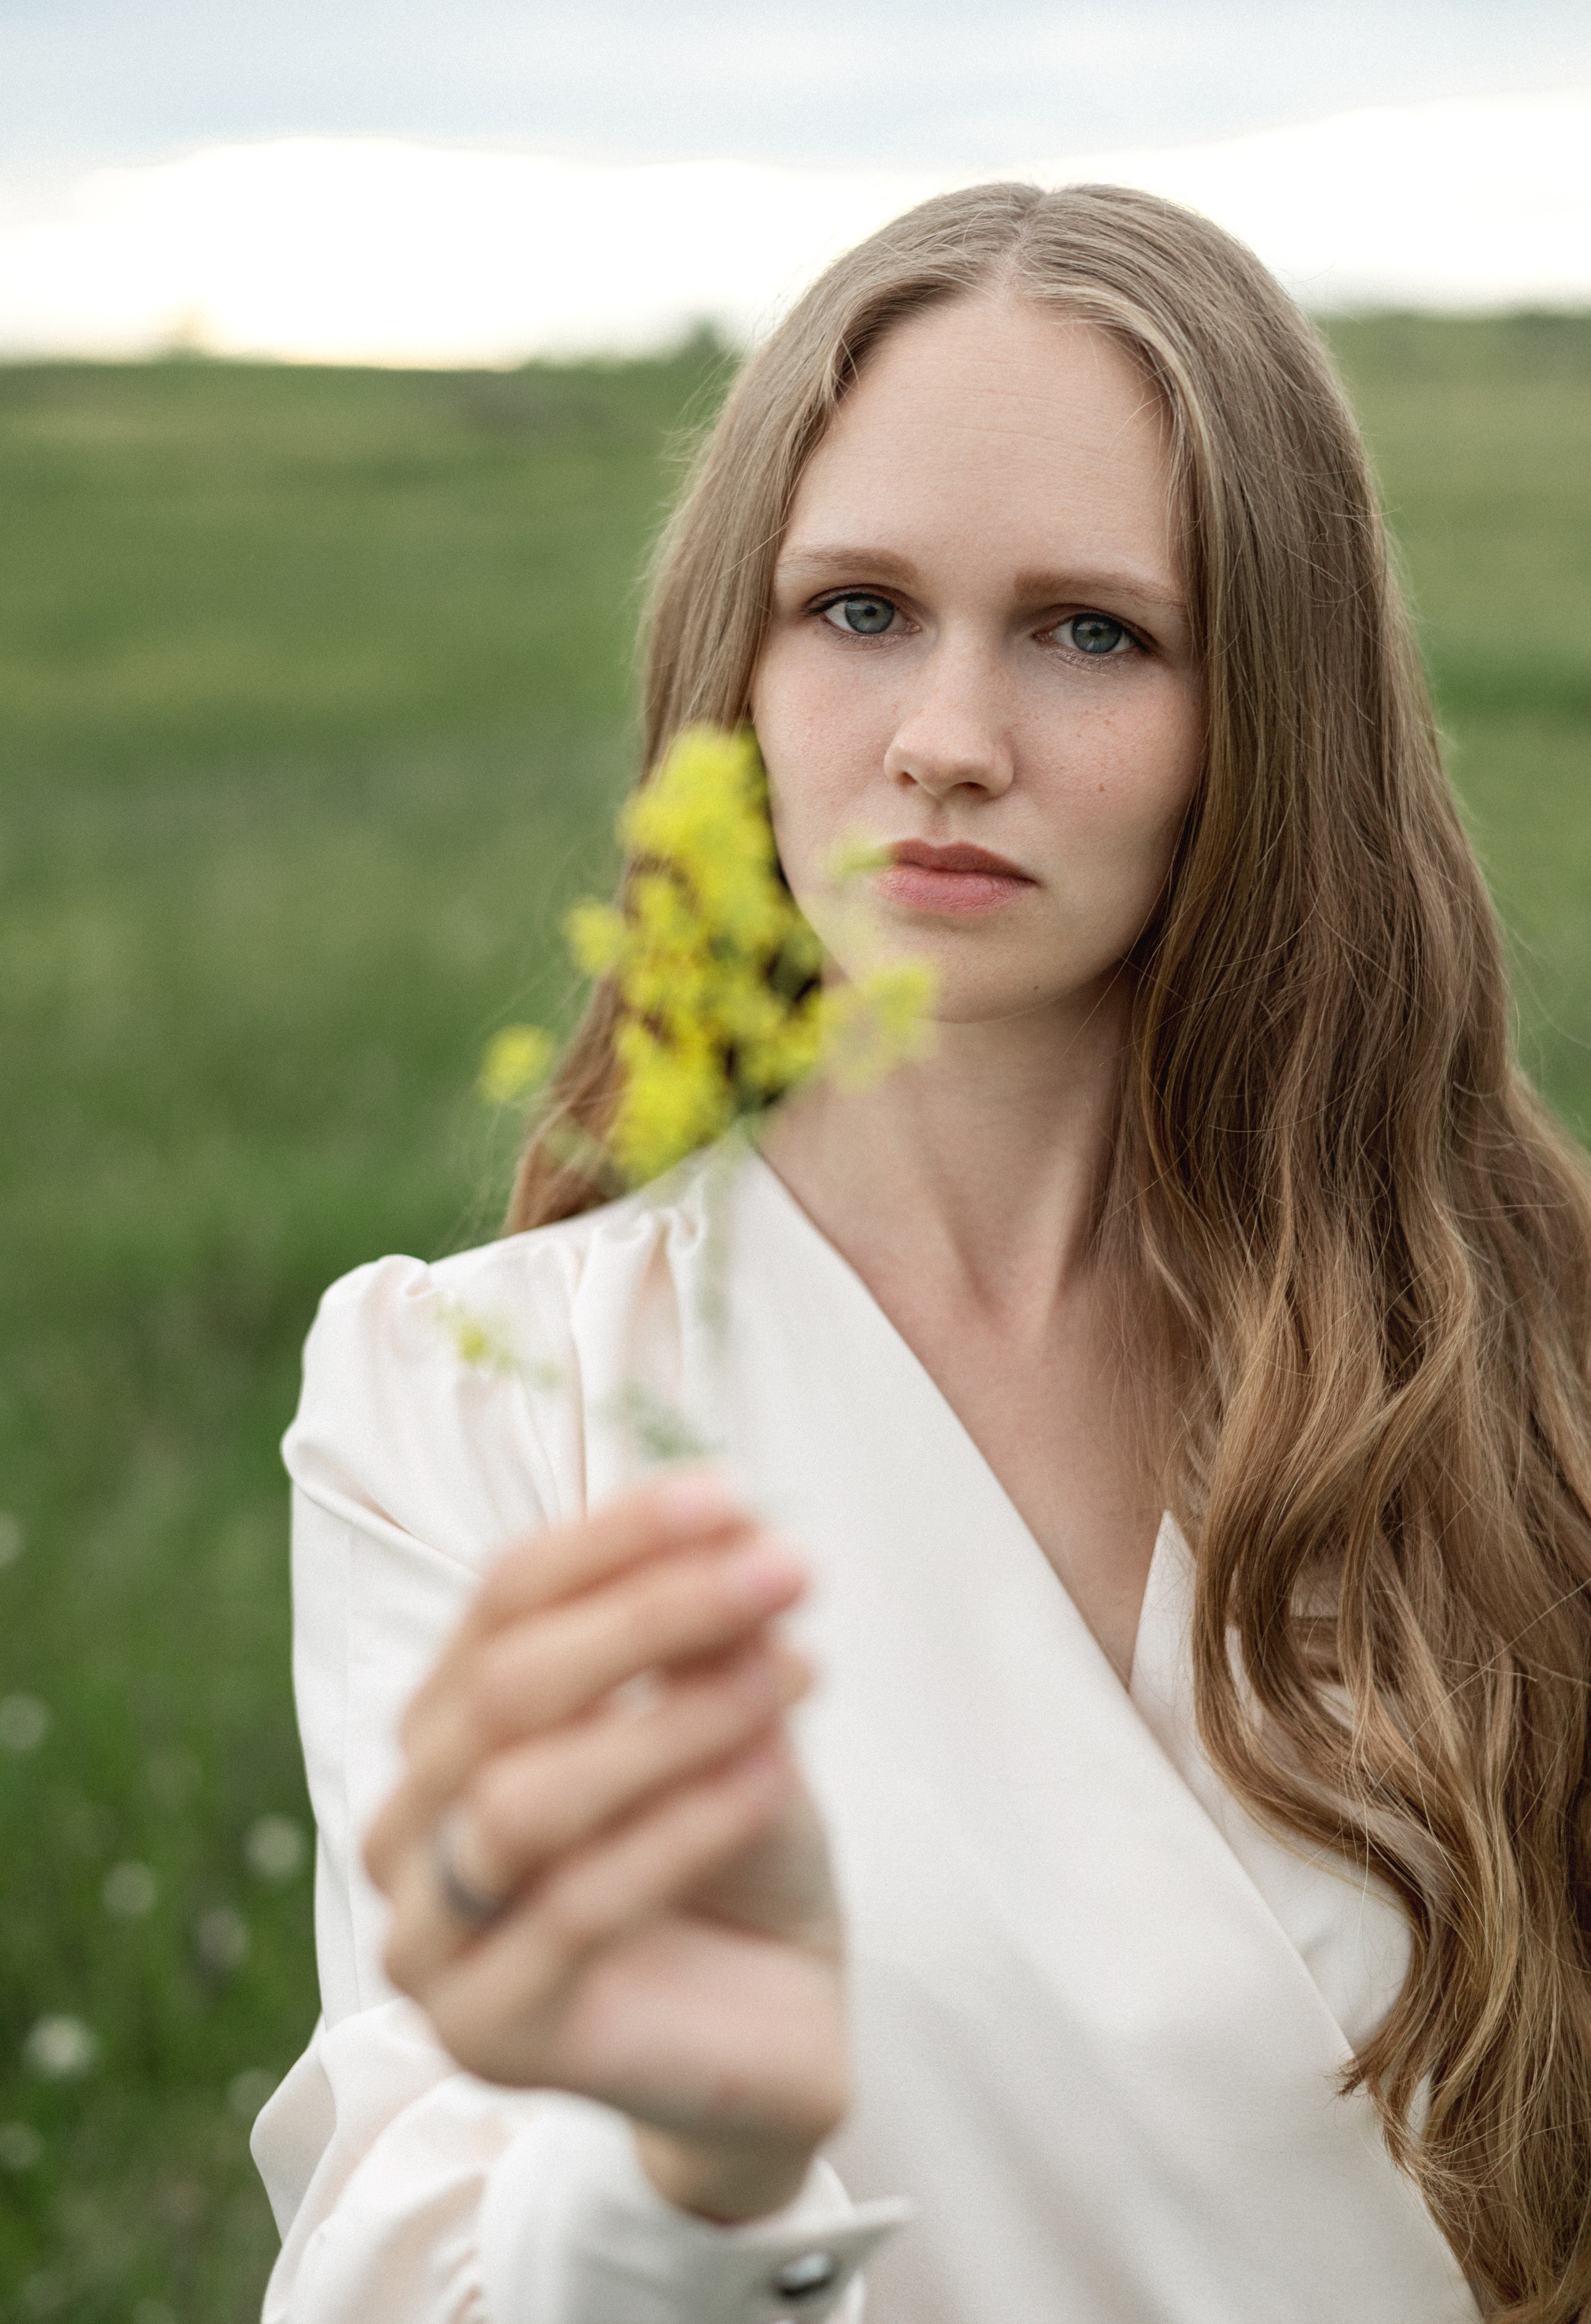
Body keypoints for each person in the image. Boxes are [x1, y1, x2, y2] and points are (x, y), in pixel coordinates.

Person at [252, 183, 1591, 2324]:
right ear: (736, 668)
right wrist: (679, 2163)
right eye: (862, 608)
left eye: (1092, 631)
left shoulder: (1517, 1351)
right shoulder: (477, 1402)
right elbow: (400, 2265)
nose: (949, 736)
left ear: (1271, 713)